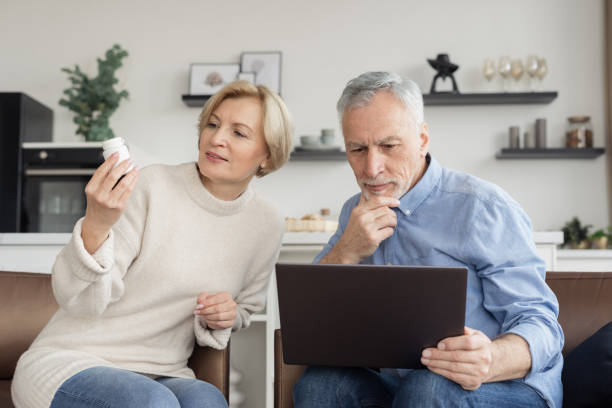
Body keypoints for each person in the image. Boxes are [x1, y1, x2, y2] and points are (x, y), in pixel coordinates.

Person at [11, 80, 293, 408]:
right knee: (152, 402)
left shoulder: (266, 224)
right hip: (72, 361)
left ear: (267, 157)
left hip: (164, 370)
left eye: (239, 133)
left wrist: (224, 314)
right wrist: (96, 226)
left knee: (208, 401)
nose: (216, 139)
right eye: (213, 125)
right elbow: (82, 302)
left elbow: (244, 308)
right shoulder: (152, 186)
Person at [293, 72, 563, 408]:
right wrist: (346, 250)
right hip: (403, 385)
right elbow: (308, 323)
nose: (372, 167)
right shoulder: (355, 212)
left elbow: (541, 325)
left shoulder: (483, 207)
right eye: (357, 149)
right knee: (321, 385)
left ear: (422, 139)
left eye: (388, 146)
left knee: (428, 387)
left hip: (504, 385)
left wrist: (490, 358)